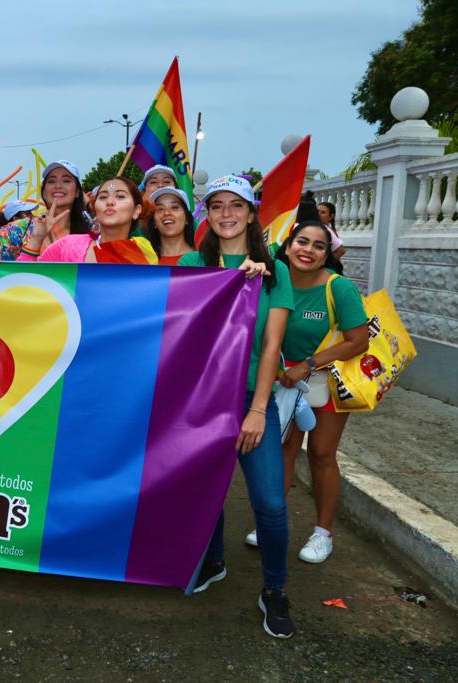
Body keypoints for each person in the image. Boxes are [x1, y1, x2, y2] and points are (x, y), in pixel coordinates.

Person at [178, 174, 296, 639]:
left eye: (236, 205)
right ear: (208, 214)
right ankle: (213, 561)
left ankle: (275, 589)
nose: (226, 214)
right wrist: (228, 284)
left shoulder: (275, 271)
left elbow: (272, 346)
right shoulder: (193, 261)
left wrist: (258, 409)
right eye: (217, 206)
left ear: (252, 213)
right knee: (203, 490)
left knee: (269, 503)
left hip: (251, 398)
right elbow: (184, 327)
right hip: (203, 399)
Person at [263, 221, 368, 564]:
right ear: (288, 246)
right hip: (282, 381)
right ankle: (271, 525)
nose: (308, 250)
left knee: (321, 454)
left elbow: (358, 340)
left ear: (327, 254)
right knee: (282, 450)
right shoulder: (272, 282)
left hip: (325, 382)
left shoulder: (339, 289)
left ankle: (323, 533)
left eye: (318, 246)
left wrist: (307, 364)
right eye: (301, 242)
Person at [21, 176, 155, 263]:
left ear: (136, 211)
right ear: (96, 209)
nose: (110, 202)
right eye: (103, 197)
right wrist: (37, 239)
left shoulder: (144, 251)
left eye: (120, 196)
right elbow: (24, 282)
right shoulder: (67, 246)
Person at [0, 160, 92, 261]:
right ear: (43, 192)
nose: (58, 186)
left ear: (78, 192)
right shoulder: (22, 228)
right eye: (51, 181)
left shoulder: (91, 230)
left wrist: (89, 205)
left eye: (66, 181)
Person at [145, 187, 196, 265]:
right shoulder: (143, 261)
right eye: (160, 209)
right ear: (154, 222)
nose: (167, 213)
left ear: (187, 219)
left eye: (174, 207)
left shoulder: (204, 260)